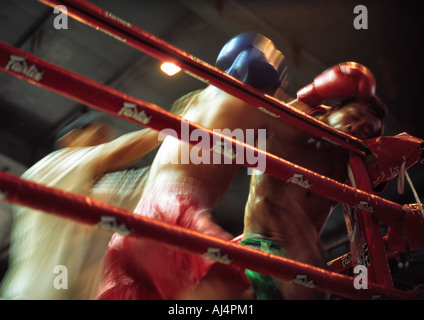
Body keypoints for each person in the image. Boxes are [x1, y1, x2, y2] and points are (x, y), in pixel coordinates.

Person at [0, 111, 161, 300]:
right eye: (98, 136)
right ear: (71, 139)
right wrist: (172, 127)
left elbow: (162, 178)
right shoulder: (49, 168)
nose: (103, 144)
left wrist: (196, 132)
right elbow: (115, 153)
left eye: (107, 141)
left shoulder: (104, 190)